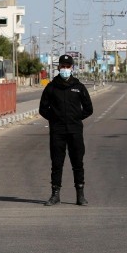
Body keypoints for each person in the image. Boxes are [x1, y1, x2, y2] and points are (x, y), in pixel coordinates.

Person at [38, 54, 94, 206]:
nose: (65, 69)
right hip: (58, 131)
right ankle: (55, 195)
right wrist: (54, 119)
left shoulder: (79, 87)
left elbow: (89, 109)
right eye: (62, 66)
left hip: (75, 131)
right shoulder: (51, 87)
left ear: (72, 68)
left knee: (78, 163)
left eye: (67, 66)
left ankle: (80, 195)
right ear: (58, 67)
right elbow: (43, 109)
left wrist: (76, 118)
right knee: (57, 163)